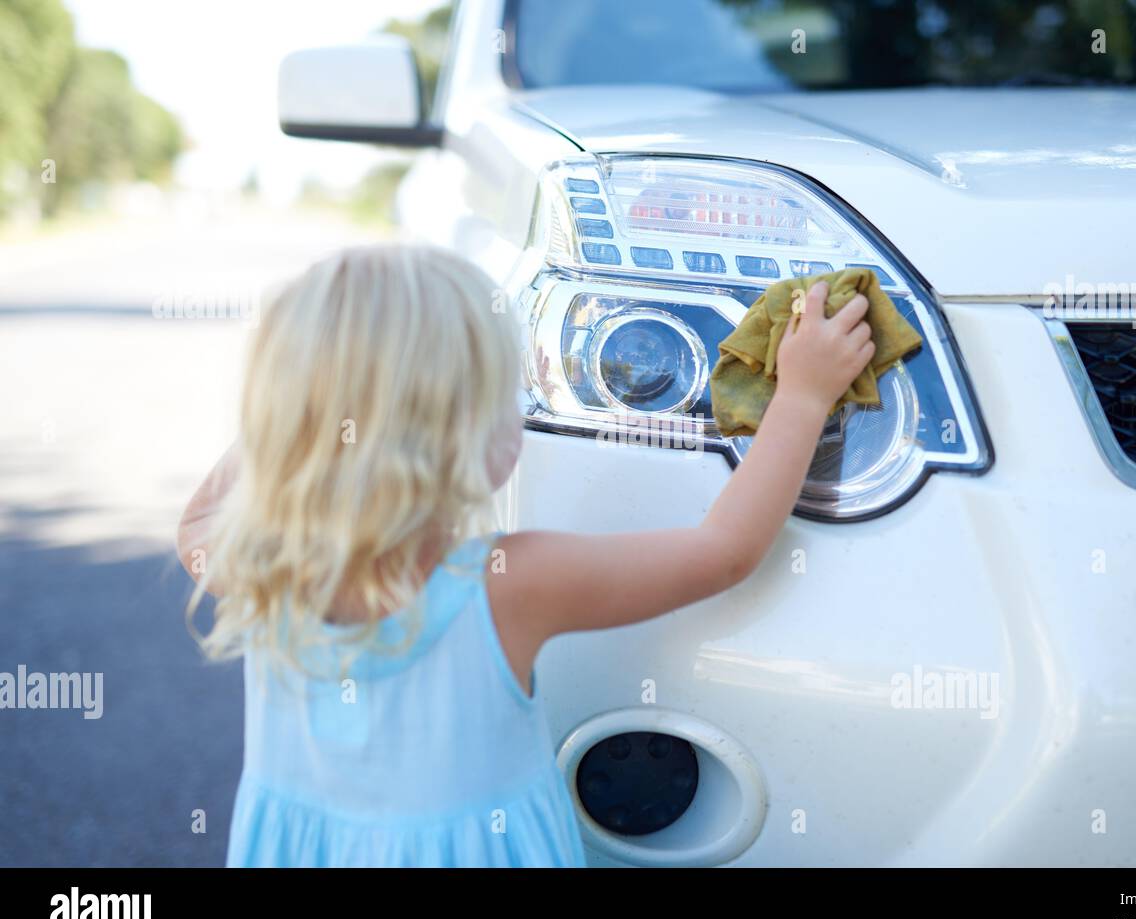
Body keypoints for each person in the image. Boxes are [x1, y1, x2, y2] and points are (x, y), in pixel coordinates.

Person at [177, 244, 876, 867]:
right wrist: (803, 396)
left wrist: (303, 414)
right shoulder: (502, 586)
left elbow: (197, 524)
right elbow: (723, 553)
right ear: (462, 444)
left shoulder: (260, 563)